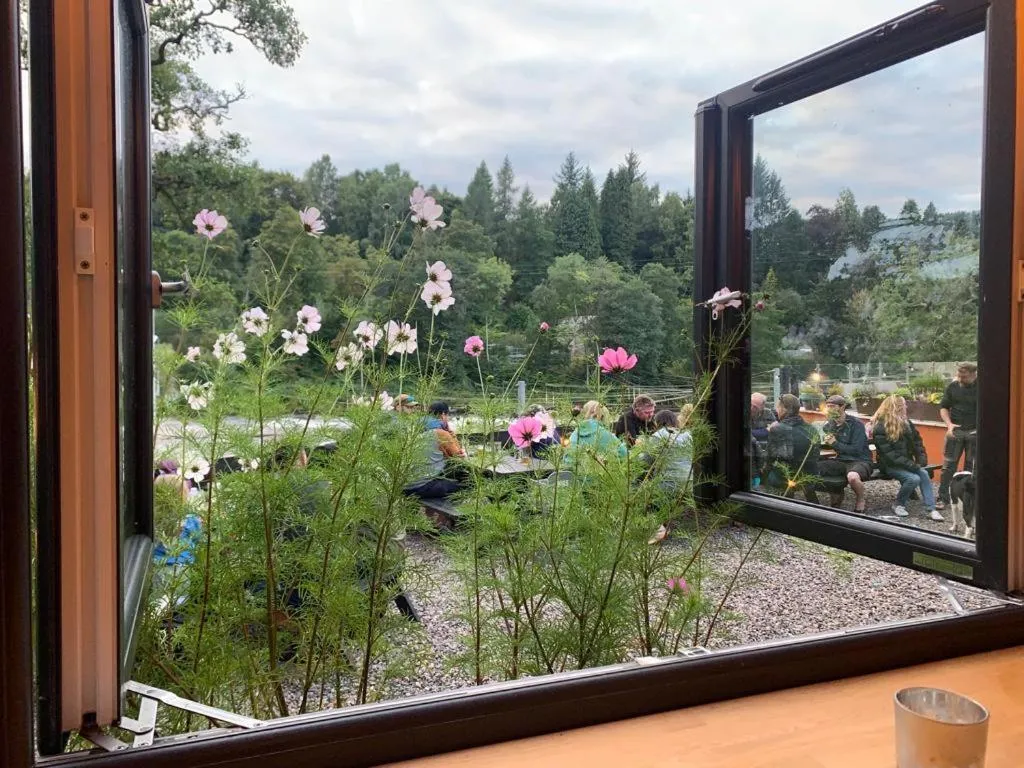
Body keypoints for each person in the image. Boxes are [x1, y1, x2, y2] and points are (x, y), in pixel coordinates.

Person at [871, 395, 940, 520]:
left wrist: (921, 459)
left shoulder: (907, 423)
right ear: (896, 407)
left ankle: (931, 509)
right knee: (913, 479)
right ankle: (898, 505)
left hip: (906, 463)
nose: (906, 407)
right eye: (903, 404)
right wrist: (912, 465)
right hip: (889, 465)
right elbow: (890, 455)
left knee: (923, 473)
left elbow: (918, 443)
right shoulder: (880, 427)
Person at [819, 395, 872, 513]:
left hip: (860, 460)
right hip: (841, 460)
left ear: (842, 407)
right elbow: (829, 445)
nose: (830, 409)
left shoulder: (856, 424)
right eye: (828, 407)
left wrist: (835, 443)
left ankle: (860, 499)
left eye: (833, 406)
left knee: (852, 477)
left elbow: (856, 450)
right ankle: (836, 493)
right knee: (815, 467)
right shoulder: (829, 426)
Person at [936, 363, 977, 511]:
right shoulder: (953, 387)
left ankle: (968, 499)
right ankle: (943, 498)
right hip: (955, 431)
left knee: (971, 467)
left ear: (974, 374)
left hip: (974, 433)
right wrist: (949, 425)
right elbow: (943, 407)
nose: (959, 378)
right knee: (948, 467)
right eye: (959, 375)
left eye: (963, 376)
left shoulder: (982, 387)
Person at [765, 393, 820, 503]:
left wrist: (764, 470)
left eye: (778, 407)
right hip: (810, 474)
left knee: (765, 475)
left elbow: (771, 457)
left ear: (784, 409)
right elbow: (816, 454)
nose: (777, 410)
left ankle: (780, 504)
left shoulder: (778, 429)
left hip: (787, 477)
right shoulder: (811, 428)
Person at [646, 407, 694, 489]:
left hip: (667, 484)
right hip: (689, 482)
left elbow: (646, 460)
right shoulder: (688, 436)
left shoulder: (658, 436)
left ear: (657, 423)